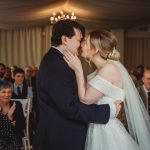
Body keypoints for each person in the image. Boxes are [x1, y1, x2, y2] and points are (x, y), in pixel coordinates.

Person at [34, 20, 121, 150]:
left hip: (66, 136)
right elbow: (71, 107)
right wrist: (108, 110)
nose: (80, 45)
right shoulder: (55, 65)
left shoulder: (59, 60)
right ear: (65, 39)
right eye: (79, 40)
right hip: (60, 139)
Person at [64, 30, 150, 150]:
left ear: (96, 49)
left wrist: (78, 70)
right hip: (96, 125)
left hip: (106, 130)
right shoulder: (98, 71)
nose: (82, 45)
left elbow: (85, 99)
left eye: (86, 42)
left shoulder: (109, 68)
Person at [0, 80, 25, 150]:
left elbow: (21, 127)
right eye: (3, 92)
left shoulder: (17, 105)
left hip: (12, 140)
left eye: (9, 92)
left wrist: (10, 118)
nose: (7, 95)